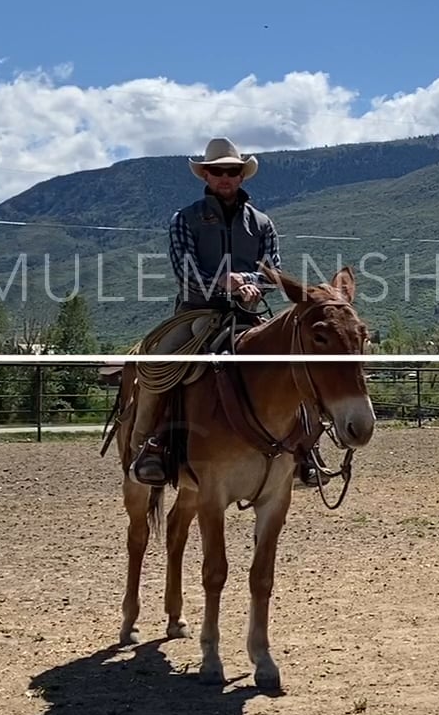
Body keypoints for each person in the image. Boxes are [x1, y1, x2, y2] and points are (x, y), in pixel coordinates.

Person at [123, 137, 319, 486]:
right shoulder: (184, 219)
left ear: (242, 175)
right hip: (196, 313)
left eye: (232, 171)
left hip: (248, 314)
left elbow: (272, 272)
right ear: (206, 176)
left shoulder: (262, 223)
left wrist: (248, 283)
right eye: (218, 171)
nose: (225, 177)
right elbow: (185, 271)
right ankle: (151, 444)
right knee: (159, 363)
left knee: (296, 358)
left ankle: (305, 448)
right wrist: (224, 283)